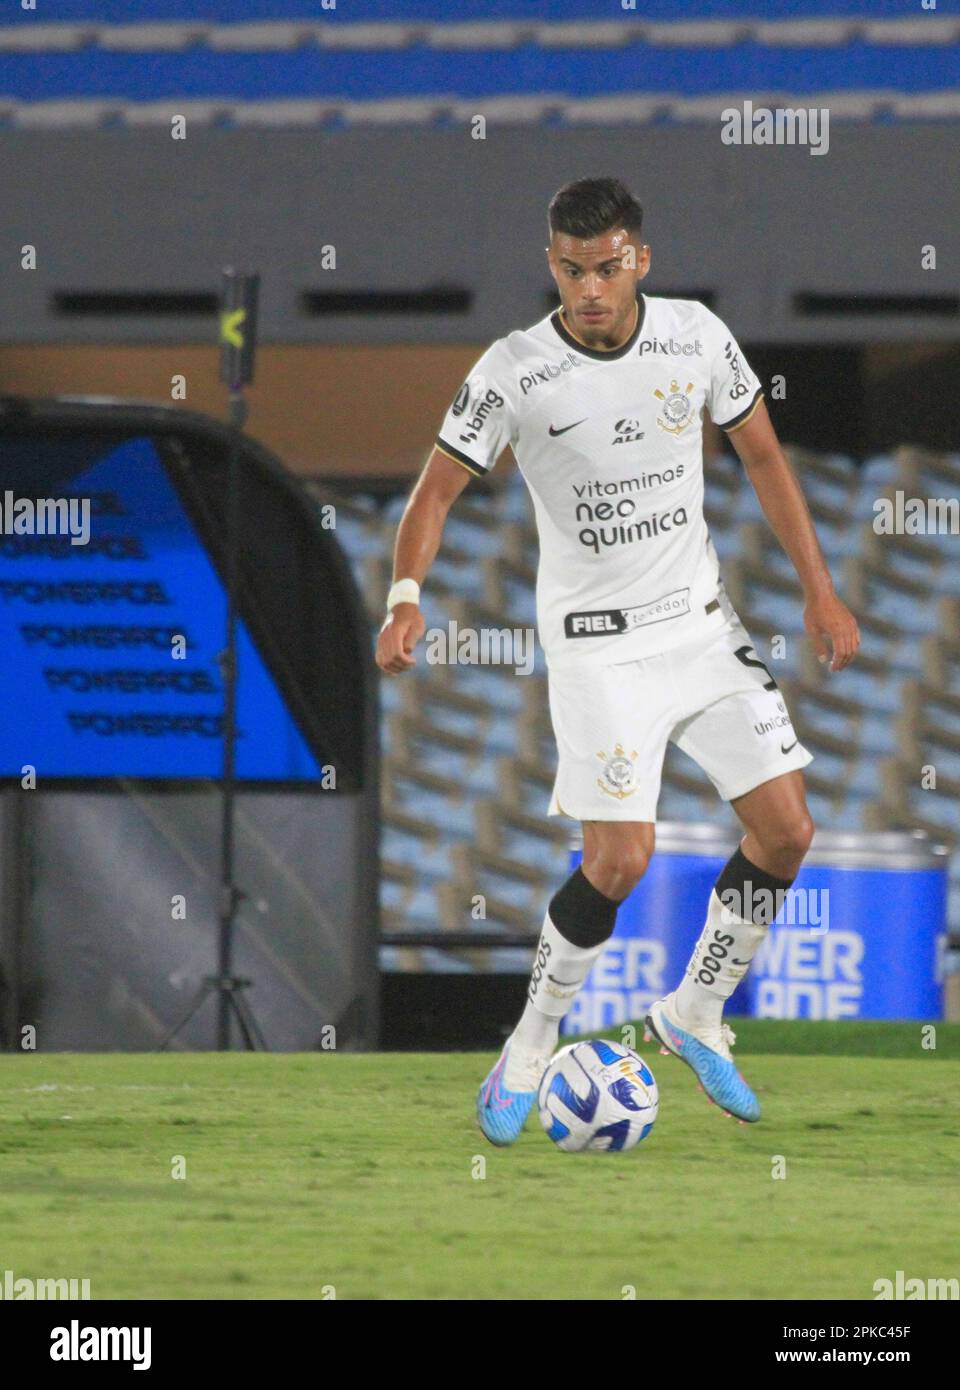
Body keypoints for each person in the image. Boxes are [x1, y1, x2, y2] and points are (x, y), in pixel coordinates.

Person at [376, 176, 860, 1142]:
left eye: (604, 268)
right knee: (619, 858)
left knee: (788, 831)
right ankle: (527, 1047)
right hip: (600, 650)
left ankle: (693, 1016)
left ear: (638, 258)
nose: (587, 288)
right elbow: (432, 496)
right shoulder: (513, 371)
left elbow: (763, 457)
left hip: (699, 626)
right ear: (550, 263)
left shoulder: (698, 337)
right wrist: (405, 599)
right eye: (568, 269)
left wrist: (819, 587)